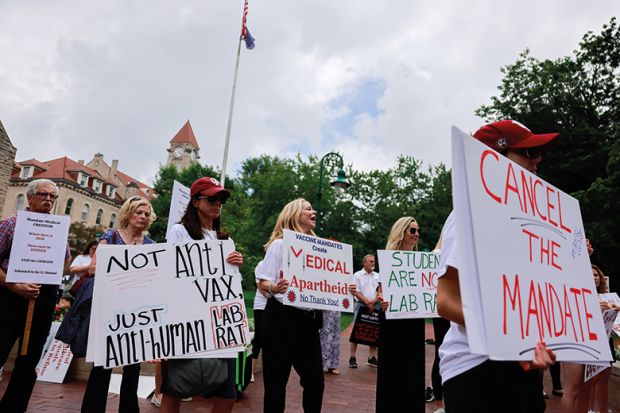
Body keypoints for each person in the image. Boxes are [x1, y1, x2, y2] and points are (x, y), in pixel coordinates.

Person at [436, 120, 558, 413]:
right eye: (527, 152)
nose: (537, 159)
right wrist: (512, 337)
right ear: (493, 159)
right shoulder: (469, 213)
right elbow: (446, 300)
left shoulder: (531, 226)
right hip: (475, 369)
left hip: (521, 365)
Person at [162, 177, 243, 413]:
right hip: (186, 320)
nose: (218, 203)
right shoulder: (180, 231)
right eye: (212, 198)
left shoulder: (225, 240)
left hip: (218, 322)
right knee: (175, 388)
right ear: (196, 202)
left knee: (227, 395)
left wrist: (236, 265)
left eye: (221, 199)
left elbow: (230, 285)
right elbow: (172, 273)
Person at [0, 179, 72, 413]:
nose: (49, 199)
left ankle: (14, 406)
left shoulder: (57, 228)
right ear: (30, 197)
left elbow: (66, 260)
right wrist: (14, 285)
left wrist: (49, 274)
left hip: (44, 296)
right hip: (10, 295)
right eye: (44, 194)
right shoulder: (12, 224)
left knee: (29, 358)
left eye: (53, 196)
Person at [81, 196, 156, 413]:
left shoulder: (151, 245)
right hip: (109, 310)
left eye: (146, 214)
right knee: (103, 363)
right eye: (138, 212)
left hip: (137, 311)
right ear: (127, 213)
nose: (143, 217)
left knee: (133, 366)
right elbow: (93, 269)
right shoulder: (112, 236)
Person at [256, 198, 324, 413]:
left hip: (308, 321)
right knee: (276, 384)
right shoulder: (279, 244)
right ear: (295, 214)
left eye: (313, 208)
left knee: (316, 381)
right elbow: (262, 281)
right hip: (280, 319)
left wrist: (341, 289)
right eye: (308, 209)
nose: (313, 211)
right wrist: (275, 287)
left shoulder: (319, 248)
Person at [376, 217, 425, 413]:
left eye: (418, 231)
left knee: (413, 370)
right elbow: (380, 291)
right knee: (392, 370)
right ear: (402, 232)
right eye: (412, 230)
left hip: (414, 321)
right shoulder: (389, 259)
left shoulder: (422, 262)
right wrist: (381, 298)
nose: (416, 234)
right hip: (392, 321)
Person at [562, 264, 615, 413]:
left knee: (586, 390)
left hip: (595, 345)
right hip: (575, 341)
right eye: (590, 274)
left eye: (596, 275)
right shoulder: (573, 291)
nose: (593, 278)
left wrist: (612, 313)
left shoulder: (606, 299)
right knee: (572, 390)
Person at [349, 254, 379, 368]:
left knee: (373, 331)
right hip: (361, 304)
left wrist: (374, 302)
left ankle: (372, 357)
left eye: (374, 262)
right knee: (357, 330)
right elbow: (355, 291)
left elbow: (380, 290)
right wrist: (367, 302)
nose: (373, 263)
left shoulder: (378, 276)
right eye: (371, 261)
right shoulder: (357, 275)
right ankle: (352, 357)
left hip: (375, 305)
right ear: (364, 263)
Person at [251, 260, 268, 382]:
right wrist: (275, 297)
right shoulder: (262, 264)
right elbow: (261, 286)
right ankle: (249, 370)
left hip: (276, 307)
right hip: (261, 305)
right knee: (259, 337)